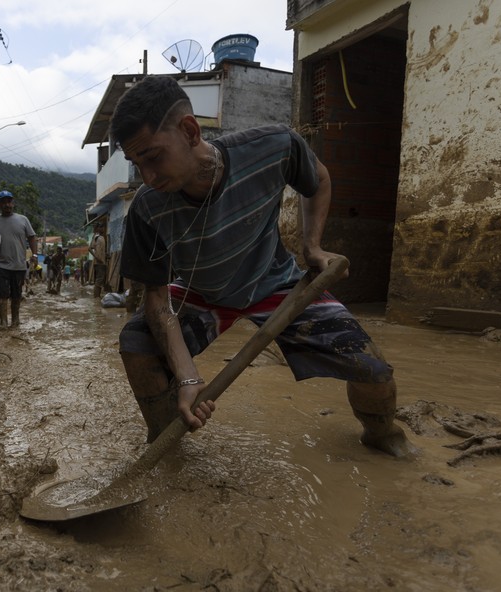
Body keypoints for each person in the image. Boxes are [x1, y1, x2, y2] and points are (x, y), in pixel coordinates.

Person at [110, 75, 414, 457]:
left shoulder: (273, 147)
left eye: (153, 157)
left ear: (189, 131)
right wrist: (188, 376)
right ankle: (166, 443)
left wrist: (313, 247)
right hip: (201, 293)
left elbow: (317, 178)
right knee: (136, 343)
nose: (147, 177)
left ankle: (382, 435)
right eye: (137, 163)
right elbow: (156, 300)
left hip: (275, 286)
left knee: (373, 370)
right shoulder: (146, 208)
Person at [0, 190, 37, 328]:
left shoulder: (23, 219)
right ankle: (3, 322)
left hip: (18, 265)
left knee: (16, 294)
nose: (7, 204)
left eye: (9, 201)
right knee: (1, 294)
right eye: (3, 202)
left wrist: (35, 254)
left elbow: (32, 237)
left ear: (13, 203)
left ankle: (15, 321)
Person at [89, 222, 108, 298]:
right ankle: (96, 297)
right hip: (99, 262)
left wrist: (105, 255)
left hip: (102, 261)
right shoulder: (96, 237)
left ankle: (97, 297)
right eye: (101, 227)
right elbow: (90, 248)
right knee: (99, 280)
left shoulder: (101, 237)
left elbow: (100, 250)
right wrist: (97, 257)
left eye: (103, 227)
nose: (103, 228)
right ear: (98, 228)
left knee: (100, 280)